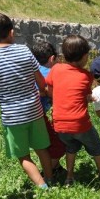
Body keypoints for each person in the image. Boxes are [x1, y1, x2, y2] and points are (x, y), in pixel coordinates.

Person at [0, 12, 53, 189]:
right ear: (12, 32)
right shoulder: (24, 50)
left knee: (23, 156)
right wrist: (43, 91)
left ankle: (42, 187)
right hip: (35, 110)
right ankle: (50, 178)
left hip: (12, 117)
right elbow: (40, 80)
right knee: (41, 149)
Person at [45, 35, 100, 185]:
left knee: (71, 147)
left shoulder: (56, 69)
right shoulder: (86, 76)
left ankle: (69, 177)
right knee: (96, 146)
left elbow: (50, 91)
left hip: (59, 125)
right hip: (80, 124)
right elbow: (85, 95)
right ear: (85, 56)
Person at [30, 41, 66, 177]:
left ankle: (55, 168)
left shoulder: (31, 71)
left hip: (21, 114)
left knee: (46, 144)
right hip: (38, 116)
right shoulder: (52, 74)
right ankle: (46, 174)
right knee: (60, 145)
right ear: (52, 59)